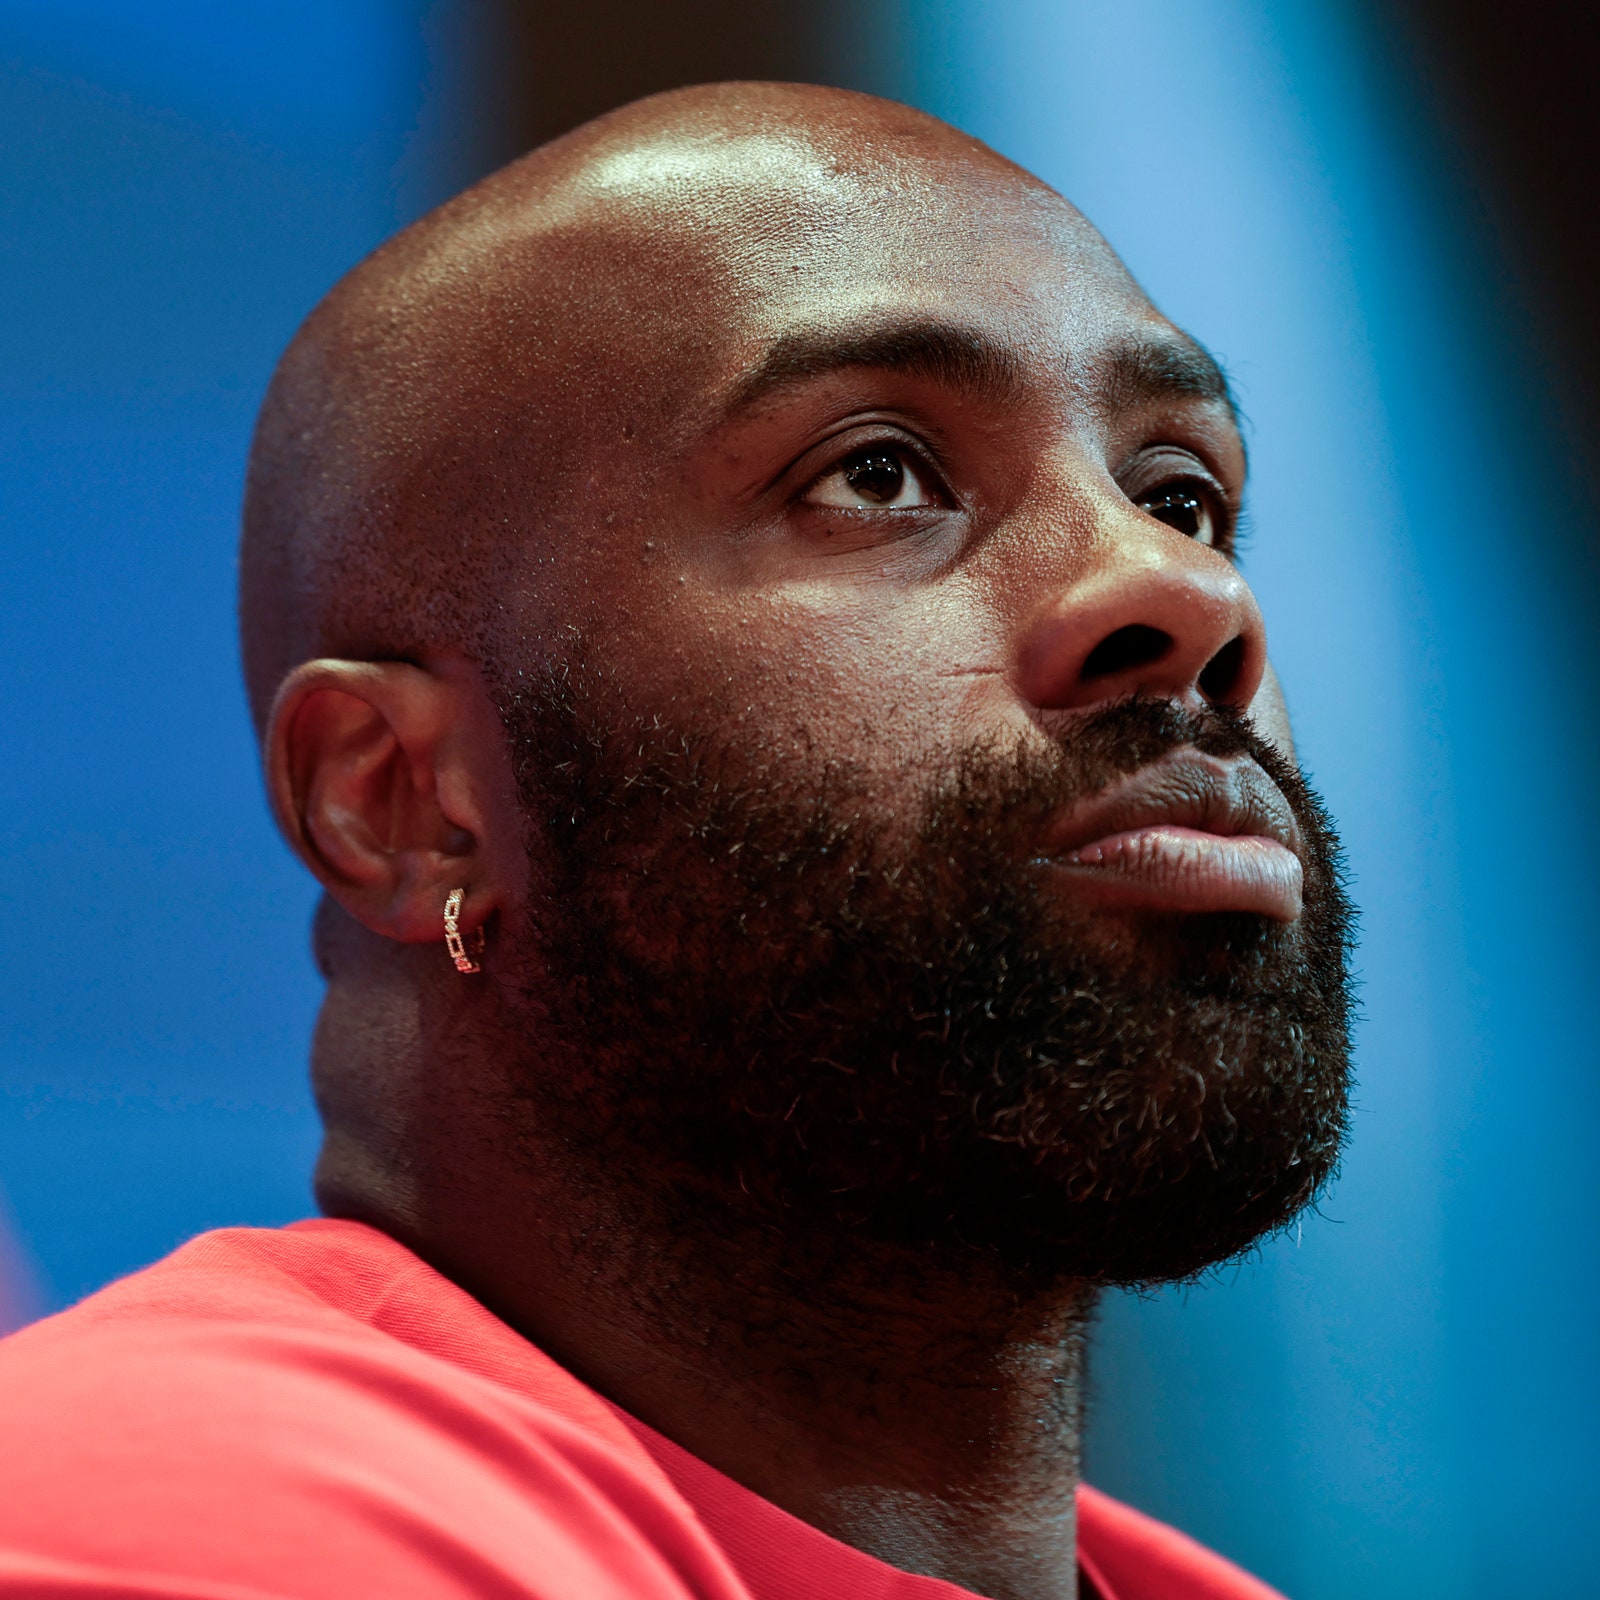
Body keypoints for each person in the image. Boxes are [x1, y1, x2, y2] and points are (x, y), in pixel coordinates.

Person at [0, 83, 1353, 1600]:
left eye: (1184, 496)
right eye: (876, 473)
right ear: (400, 800)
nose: (1186, 596)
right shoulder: (178, 1517)